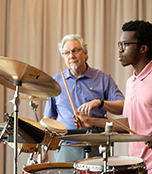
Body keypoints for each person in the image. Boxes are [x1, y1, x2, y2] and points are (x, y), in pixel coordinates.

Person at [75, 20, 152, 174]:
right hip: (135, 166)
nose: (120, 49)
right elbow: (130, 124)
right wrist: (91, 122)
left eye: (125, 44)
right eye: (119, 44)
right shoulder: (131, 81)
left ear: (143, 48)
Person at [42, 34, 125, 162]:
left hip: (97, 144)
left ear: (85, 53)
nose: (72, 56)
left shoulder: (103, 78)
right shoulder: (56, 81)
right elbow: (49, 119)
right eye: (67, 53)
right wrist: (43, 148)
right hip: (65, 146)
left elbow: (122, 107)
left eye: (76, 50)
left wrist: (99, 103)